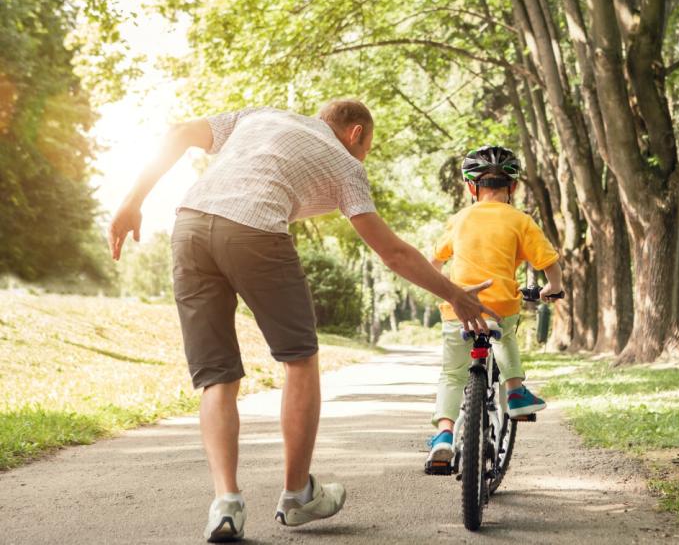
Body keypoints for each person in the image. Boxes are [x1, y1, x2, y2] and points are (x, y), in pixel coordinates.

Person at [107, 101, 498, 542]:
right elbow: (392, 252)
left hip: (190, 227)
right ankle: (296, 496)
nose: (363, 158)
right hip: (255, 231)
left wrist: (131, 202)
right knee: (299, 360)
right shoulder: (346, 163)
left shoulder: (258, 116)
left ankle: (226, 504)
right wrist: (455, 296)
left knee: (216, 376)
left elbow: (177, 131)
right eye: (366, 147)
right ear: (355, 134)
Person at [425, 145, 563, 469]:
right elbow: (548, 261)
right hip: (500, 304)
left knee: (451, 374)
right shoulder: (520, 220)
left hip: (458, 307)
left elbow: (433, 262)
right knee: (505, 337)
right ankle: (515, 391)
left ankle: (444, 434)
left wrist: (443, 290)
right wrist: (553, 287)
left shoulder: (459, 219)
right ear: (512, 187)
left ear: (471, 187)